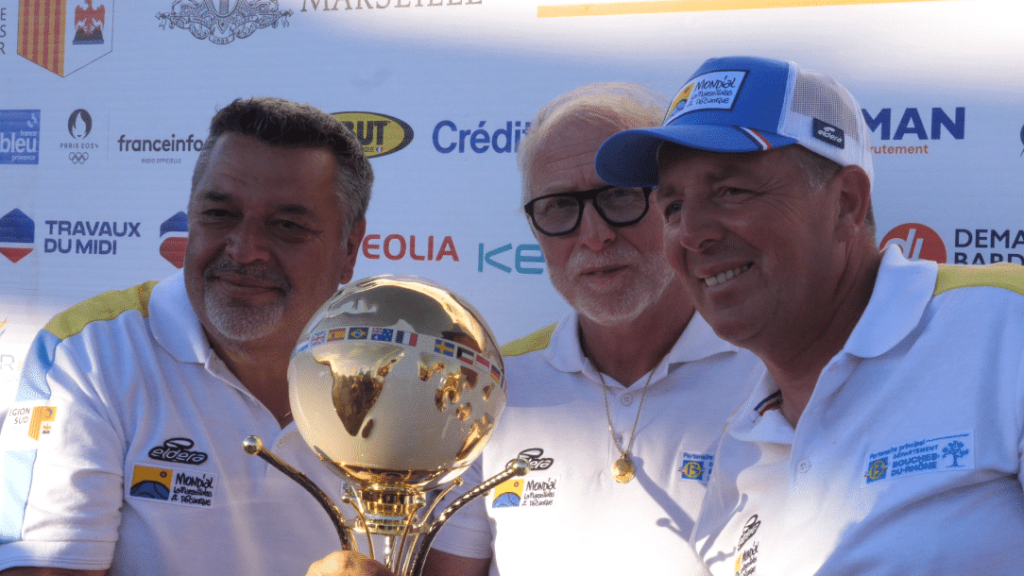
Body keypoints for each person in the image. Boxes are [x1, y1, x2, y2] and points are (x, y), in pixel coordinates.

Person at [308, 83, 761, 576]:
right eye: (560, 207)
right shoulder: (489, 388)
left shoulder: (775, 377)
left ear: (674, 207)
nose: (594, 235)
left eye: (619, 196)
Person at [594, 55, 1024, 575]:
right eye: (673, 207)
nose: (692, 234)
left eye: (731, 191)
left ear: (845, 203)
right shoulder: (739, 449)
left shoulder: (1004, 327)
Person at [0, 97, 372, 576]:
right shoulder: (91, 351)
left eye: (287, 226)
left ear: (349, 250)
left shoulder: (408, 367)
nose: (245, 249)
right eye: (220, 214)